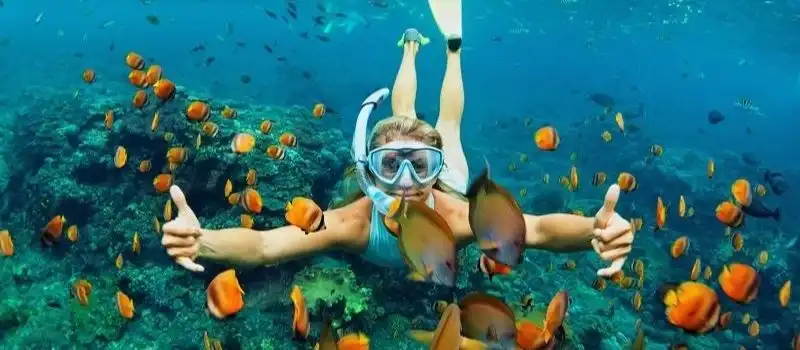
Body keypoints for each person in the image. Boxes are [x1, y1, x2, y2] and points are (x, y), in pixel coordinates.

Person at [160, 1, 634, 278]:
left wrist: (594, 230)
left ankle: (452, 53)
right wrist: (203, 243)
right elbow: (266, 247)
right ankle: (409, 49)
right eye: (391, 166)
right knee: (402, 114)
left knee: (447, 124)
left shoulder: (461, 216)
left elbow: (539, 230)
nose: (407, 181)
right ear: (371, 171)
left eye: (419, 165)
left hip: (454, 179)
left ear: (433, 168)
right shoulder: (350, 222)